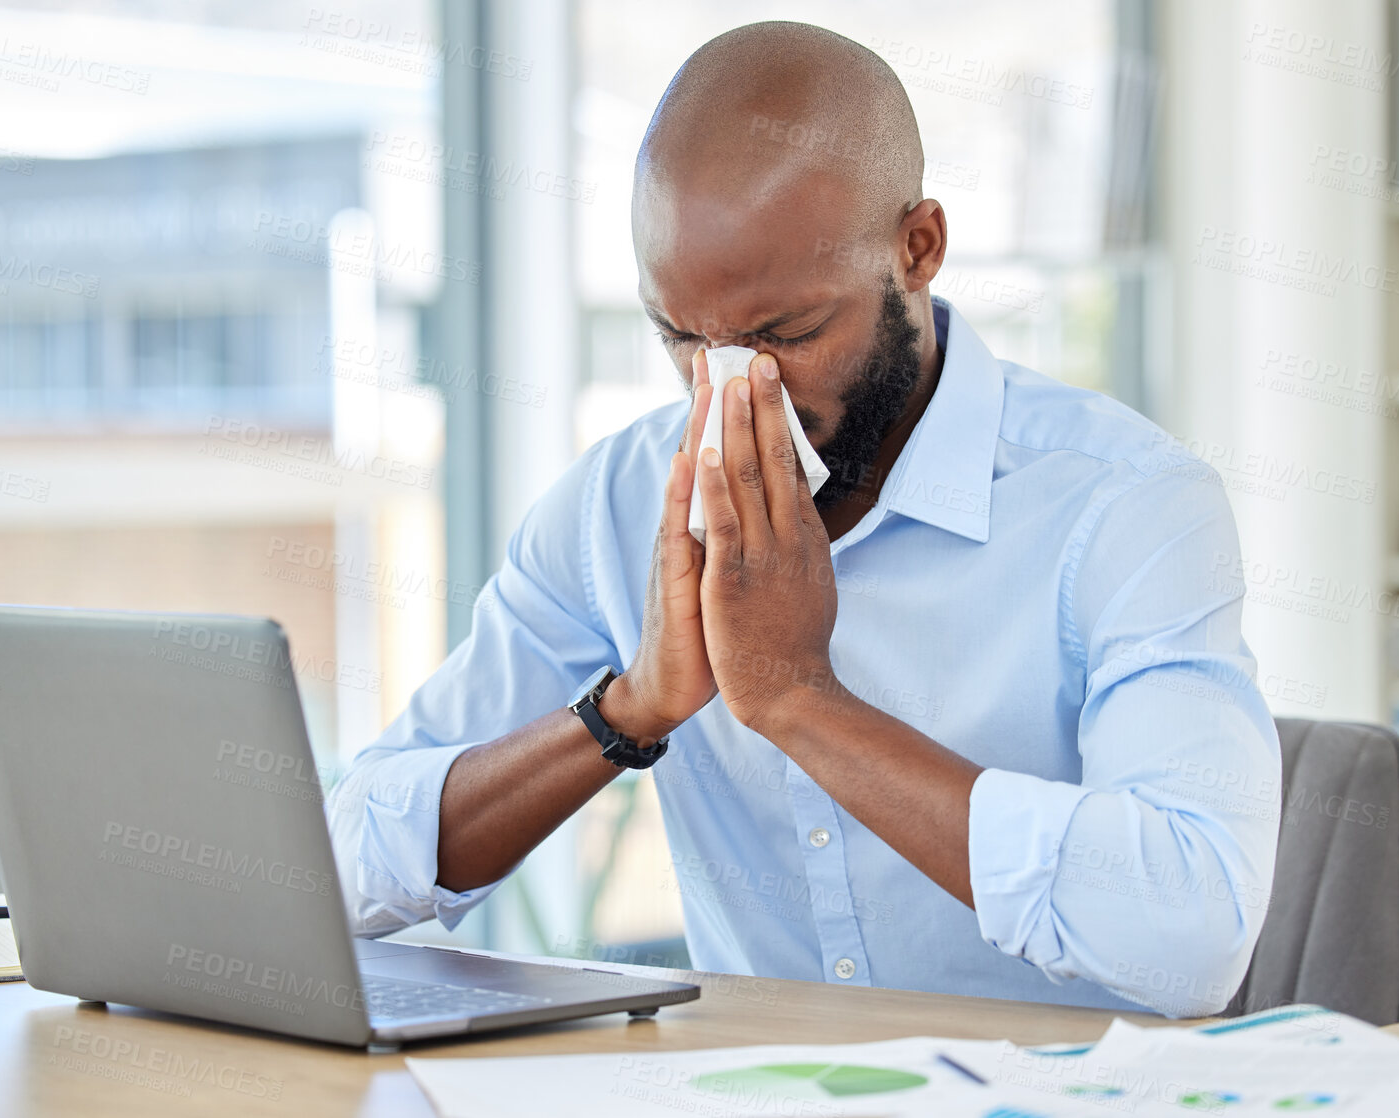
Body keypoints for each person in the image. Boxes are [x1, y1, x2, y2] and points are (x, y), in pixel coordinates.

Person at [327, 21, 1280, 1017]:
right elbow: (343, 865)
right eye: (680, 337)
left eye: (784, 333)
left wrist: (798, 697)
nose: (729, 389)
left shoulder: (1122, 503)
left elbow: (1191, 935)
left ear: (917, 249)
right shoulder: (616, 502)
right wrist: (624, 713)